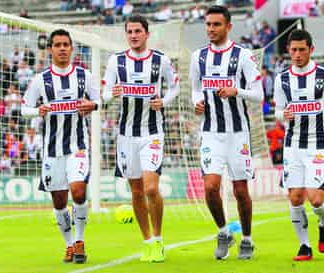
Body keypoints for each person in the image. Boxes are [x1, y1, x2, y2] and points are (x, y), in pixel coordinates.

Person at [102, 15, 179, 263]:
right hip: (126, 136)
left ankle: (158, 239)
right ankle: (146, 241)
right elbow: (104, 93)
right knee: (136, 192)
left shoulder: (160, 60)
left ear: (147, 33)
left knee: (151, 188)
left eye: (137, 31)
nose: (133, 35)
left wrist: (163, 100)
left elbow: (175, 86)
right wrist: (110, 95)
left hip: (152, 133)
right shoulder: (116, 61)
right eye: (130, 31)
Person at [189, 5, 263, 260]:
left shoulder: (243, 56)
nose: (211, 29)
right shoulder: (198, 57)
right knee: (210, 187)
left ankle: (247, 239)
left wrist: (237, 91)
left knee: (240, 191)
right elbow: (195, 89)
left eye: (216, 25)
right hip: (211, 131)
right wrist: (196, 102)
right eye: (208, 24)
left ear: (228, 27)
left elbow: (259, 94)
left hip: (238, 132)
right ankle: (223, 232)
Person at [21, 29, 100, 264]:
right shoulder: (40, 80)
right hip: (51, 151)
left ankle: (79, 240)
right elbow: (24, 107)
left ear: (72, 48)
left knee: (78, 191)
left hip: (78, 146)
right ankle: (67, 245)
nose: (63, 48)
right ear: (51, 49)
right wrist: (38, 110)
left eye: (66, 44)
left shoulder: (85, 76)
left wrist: (92, 106)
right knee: (58, 200)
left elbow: (98, 100)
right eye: (58, 45)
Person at [273, 29, 324, 261]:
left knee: (315, 199)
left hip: (318, 144)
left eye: (301, 50)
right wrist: (282, 114)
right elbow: (278, 110)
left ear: (311, 50)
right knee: (295, 197)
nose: (297, 54)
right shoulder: (282, 79)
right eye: (293, 50)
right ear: (288, 50)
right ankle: (305, 246)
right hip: (292, 145)